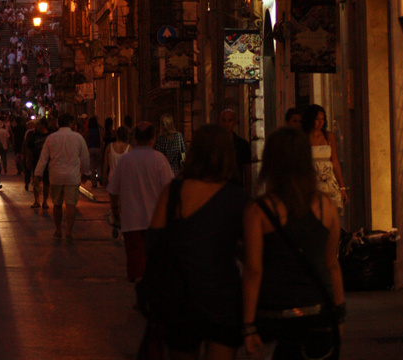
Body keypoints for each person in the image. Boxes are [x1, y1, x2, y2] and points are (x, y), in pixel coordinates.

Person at [243, 127, 345, 359]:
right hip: (319, 312)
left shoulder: (258, 211)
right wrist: (339, 312)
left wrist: (248, 326)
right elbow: (332, 265)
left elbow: (253, 270)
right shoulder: (326, 207)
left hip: (274, 315)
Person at [150, 123, 248, 360]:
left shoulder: (174, 192)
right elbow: (252, 256)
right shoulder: (238, 198)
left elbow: (152, 243)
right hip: (223, 298)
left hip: (181, 299)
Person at [108, 120, 174, 280]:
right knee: (155, 263)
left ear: (135, 138)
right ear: (153, 138)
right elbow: (170, 189)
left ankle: (141, 297)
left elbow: (112, 190)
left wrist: (115, 209)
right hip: (156, 221)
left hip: (132, 222)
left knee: (137, 264)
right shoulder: (160, 160)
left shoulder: (126, 160)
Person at [33, 113, 90, 240]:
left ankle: (58, 230)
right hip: (72, 176)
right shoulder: (78, 138)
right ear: (70, 123)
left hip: (56, 175)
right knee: (71, 205)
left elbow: (43, 158)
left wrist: (38, 174)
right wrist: (86, 173)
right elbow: (85, 157)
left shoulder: (51, 138)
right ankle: (68, 231)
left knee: (57, 204)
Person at [302, 104, 347, 212]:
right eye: (317, 119)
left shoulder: (329, 136)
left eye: (322, 119)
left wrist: (342, 187)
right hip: (312, 182)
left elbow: (335, 161)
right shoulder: (303, 137)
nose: (320, 122)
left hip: (329, 181)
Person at [219, 107, 252, 190]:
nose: (226, 124)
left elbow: (247, 171)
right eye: (224, 120)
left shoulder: (242, 145)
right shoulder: (215, 145)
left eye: (230, 120)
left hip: (236, 187)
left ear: (234, 122)